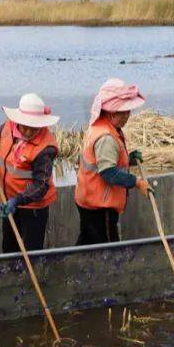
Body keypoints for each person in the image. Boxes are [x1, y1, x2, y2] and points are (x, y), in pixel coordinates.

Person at [0, 93, 60, 253]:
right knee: (9, 247)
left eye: (33, 127)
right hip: (8, 202)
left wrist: (18, 200)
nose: (28, 131)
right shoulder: (10, 126)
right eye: (25, 126)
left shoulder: (45, 148)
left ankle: (31, 277)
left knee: (30, 251)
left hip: (33, 207)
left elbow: (41, 185)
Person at [74, 78, 150, 245]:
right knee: (107, 249)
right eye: (121, 112)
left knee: (87, 243)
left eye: (128, 111)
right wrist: (137, 182)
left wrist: (128, 160)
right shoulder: (106, 137)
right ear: (109, 111)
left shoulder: (100, 126)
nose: (126, 116)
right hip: (100, 205)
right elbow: (108, 172)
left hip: (87, 199)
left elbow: (102, 160)